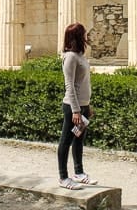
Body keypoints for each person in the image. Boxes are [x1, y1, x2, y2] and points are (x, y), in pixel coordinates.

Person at [57, 22, 97, 190]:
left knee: (79, 139)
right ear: (77, 36)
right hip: (73, 108)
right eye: (84, 33)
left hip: (83, 106)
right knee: (66, 141)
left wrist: (87, 106)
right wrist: (76, 110)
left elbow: (83, 83)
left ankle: (79, 173)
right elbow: (70, 85)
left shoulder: (80, 56)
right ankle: (63, 177)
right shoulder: (71, 57)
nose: (87, 36)